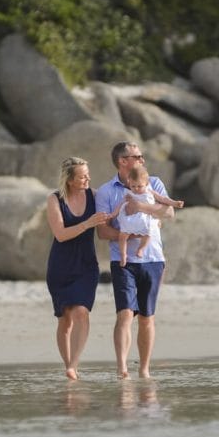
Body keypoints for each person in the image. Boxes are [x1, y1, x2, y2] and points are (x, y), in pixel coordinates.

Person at [95, 142, 177, 379]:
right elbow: (102, 232)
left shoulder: (154, 182)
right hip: (123, 261)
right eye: (138, 156)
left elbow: (169, 213)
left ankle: (144, 370)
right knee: (125, 314)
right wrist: (130, 234)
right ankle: (122, 369)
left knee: (147, 317)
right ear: (123, 161)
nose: (142, 160)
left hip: (153, 258)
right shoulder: (107, 191)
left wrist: (141, 206)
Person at [45, 156, 112, 380]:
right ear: (70, 180)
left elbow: (112, 212)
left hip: (86, 265)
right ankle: (69, 366)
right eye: (82, 176)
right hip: (60, 266)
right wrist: (87, 224)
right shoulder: (55, 199)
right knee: (65, 319)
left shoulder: (94, 196)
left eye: (88, 174)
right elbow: (61, 235)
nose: (88, 179)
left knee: (81, 312)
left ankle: (73, 365)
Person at [111, 164, 183, 267]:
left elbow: (164, 199)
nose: (136, 189)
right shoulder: (129, 194)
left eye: (139, 186)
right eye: (133, 186)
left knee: (148, 234)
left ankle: (141, 249)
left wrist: (175, 203)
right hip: (131, 219)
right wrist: (113, 214)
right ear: (129, 183)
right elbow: (121, 204)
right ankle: (123, 255)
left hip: (145, 219)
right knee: (122, 236)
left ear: (146, 183)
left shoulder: (150, 192)